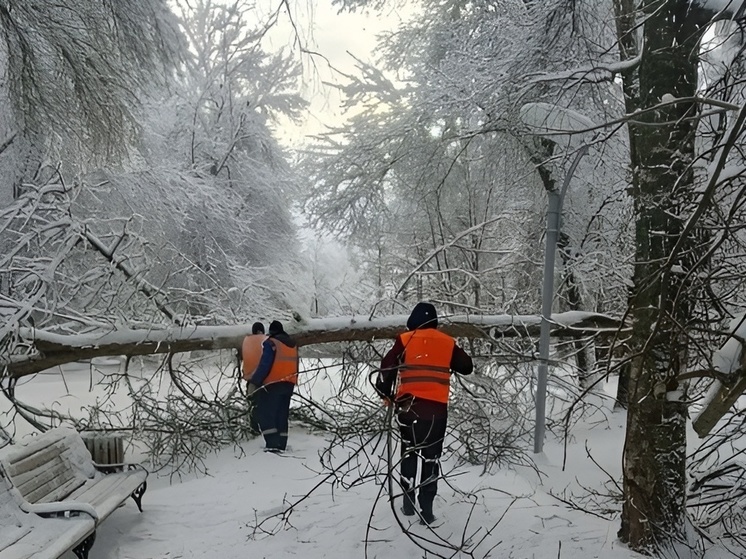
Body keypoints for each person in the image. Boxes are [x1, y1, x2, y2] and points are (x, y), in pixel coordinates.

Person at [375, 302, 473, 525]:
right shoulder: (448, 342)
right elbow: (467, 366)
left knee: (409, 452)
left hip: (408, 409)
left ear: (413, 322)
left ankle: (408, 504)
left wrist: (386, 392)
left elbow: (386, 367)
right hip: (436, 411)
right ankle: (426, 508)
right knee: (431, 457)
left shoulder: (405, 339)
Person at [247, 320, 298, 453]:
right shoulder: (292, 345)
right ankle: (281, 444)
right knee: (281, 415)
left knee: (266, 414)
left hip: (273, 384)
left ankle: (272, 444)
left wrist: (255, 382)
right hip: (289, 385)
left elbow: (265, 365)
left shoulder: (271, 343)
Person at [241, 322, 266, 433]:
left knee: (253, 404)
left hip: (250, 378)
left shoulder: (246, 341)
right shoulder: (267, 340)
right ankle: (265, 426)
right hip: (264, 377)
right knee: (265, 403)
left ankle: (254, 428)